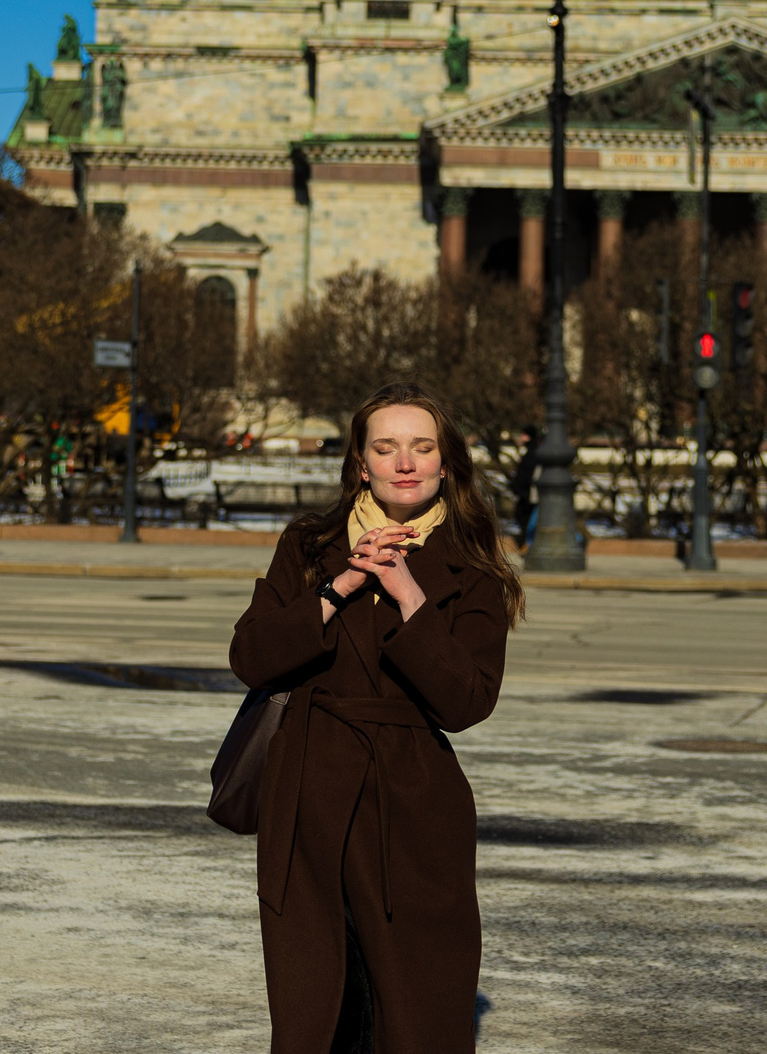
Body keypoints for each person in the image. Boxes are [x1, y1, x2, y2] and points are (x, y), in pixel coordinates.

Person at [230, 383, 524, 1054]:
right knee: (317, 1003)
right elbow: (251, 655)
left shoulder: (474, 566)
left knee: (420, 1006)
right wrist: (339, 588)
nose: (405, 461)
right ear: (361, 463)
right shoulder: (310, 544)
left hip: (414, 806)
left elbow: (468, 701)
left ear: (446, 462)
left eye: (422, 446)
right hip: (309, 793)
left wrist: (410, 594)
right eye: (386, 446)